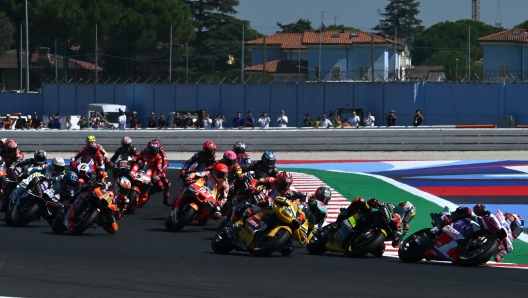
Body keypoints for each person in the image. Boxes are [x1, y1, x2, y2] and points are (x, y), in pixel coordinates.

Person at [430, 204, 523, 263]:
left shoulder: (508, 243)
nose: (516, 233)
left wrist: (499, 251)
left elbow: (497, 259)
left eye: (518, 232)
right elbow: (477, 208)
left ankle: (471, 251)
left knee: (483, 262)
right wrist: (481, 210)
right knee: (466, 210)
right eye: (516, 230)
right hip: (470, 226)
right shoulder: (497, 217)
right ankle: (445, 219)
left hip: (471, 252)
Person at [336, 198, 416, 254]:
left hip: (381, 235)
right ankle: (340, 219)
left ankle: (359, 246)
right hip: (372, 219)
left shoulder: (405, 227)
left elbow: (396, 243)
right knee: (361, 201)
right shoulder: (392, 207)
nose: (407, 217)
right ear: (400, 207)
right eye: (407, 214)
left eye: (409, 216)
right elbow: (377, 203)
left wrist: (398, 241)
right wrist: (375, 202)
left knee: (379, 252)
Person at [130, 141, 164, 206]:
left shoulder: (158, 157)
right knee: (129, 171)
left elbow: (159, 167)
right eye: (151, 149)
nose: (152, 151)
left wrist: (158, 175)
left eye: (154, 150)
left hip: (152, 170)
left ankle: (148, 192)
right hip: (141, 167)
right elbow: (136, 158)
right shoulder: (144, 152)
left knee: (160, 186)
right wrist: (131, 162)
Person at [151, 139, 171, 206]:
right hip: (149, 167)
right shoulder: (147, 151)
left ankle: (166, 199)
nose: (153, 150)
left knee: (166, 183)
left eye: (155, 149)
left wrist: (161, 170)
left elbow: (165, 162)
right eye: (152, 148)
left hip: (159, 169)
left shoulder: (162, 153)